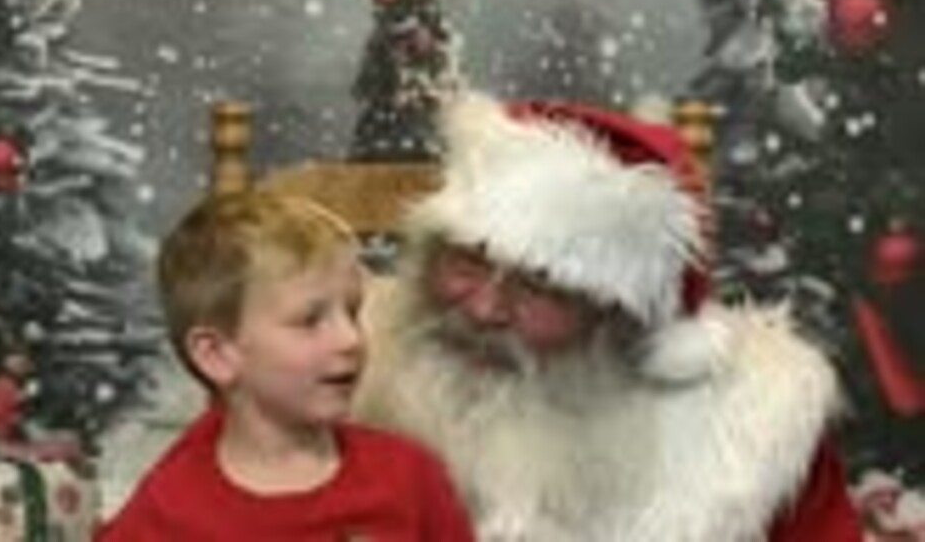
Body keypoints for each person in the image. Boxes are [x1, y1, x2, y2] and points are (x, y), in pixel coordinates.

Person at [355, 92, 864, 542]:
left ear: (617, 319)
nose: (483, 309)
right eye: (467, 260)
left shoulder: (750, 432)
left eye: (540, 286)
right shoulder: (342, 365)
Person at [99, 191, 475, 541]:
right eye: (310, 321)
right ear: (217, 355)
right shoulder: (168, 512)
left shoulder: (408, 477)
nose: (351, 339)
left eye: (352, 311)